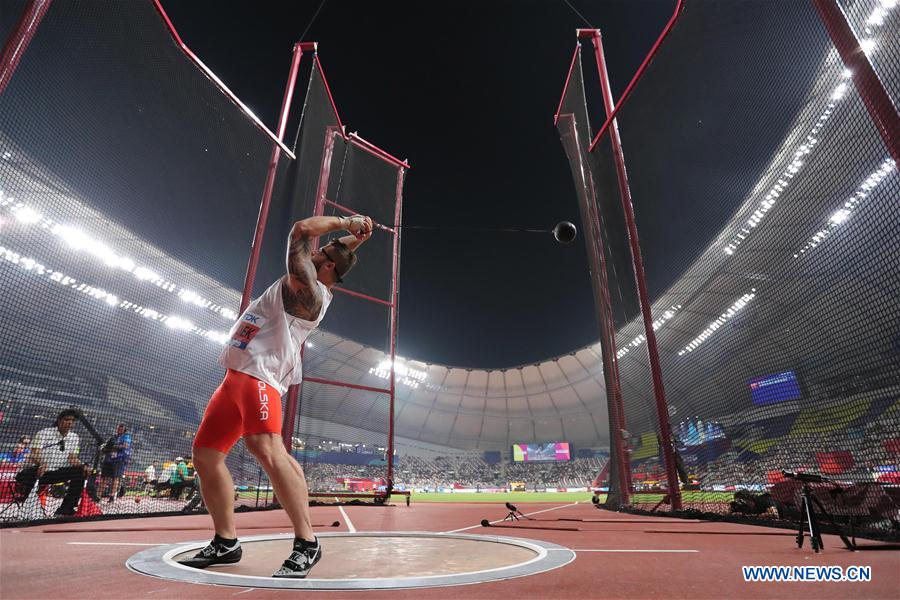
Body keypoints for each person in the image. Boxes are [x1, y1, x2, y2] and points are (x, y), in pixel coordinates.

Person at [180, 213, 373, 578]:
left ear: (326, 266)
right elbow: (333, 252)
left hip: (260, 378)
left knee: (267, 449)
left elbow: (300, 231)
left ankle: (307, 542)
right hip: (236, 376)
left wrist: (344, 221)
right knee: (205, 455)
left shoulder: (308, 290)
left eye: (321, 252)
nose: (314, 251)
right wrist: (357, 237)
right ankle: (226, 541)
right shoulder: (316, 275)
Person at [14, 409, 90, 517]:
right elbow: (35, 453)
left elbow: (72, 458)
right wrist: (41, 463)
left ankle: (65, 511)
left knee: (80, 472)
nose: (70, 422)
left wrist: (83, 465)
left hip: (56, 473)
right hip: (36, 471)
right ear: (59, 420)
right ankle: (29, 510)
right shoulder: (44, 433)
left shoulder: (74, 437)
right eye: (67, 419)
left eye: (73, 421)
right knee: (32, 476)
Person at [97, 423, 132, 503]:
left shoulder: (126, 436)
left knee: (116, 478)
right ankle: (98, 496)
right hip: (108, 459)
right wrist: (105, 448)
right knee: (103, 477)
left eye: (121, 428)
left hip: (119, 459)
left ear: (124, 430)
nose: (119, 430)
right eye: (118, 428)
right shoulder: (113, 437)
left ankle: (112, 497)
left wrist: (113, 446)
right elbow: (106, 447)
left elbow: (125, 446)